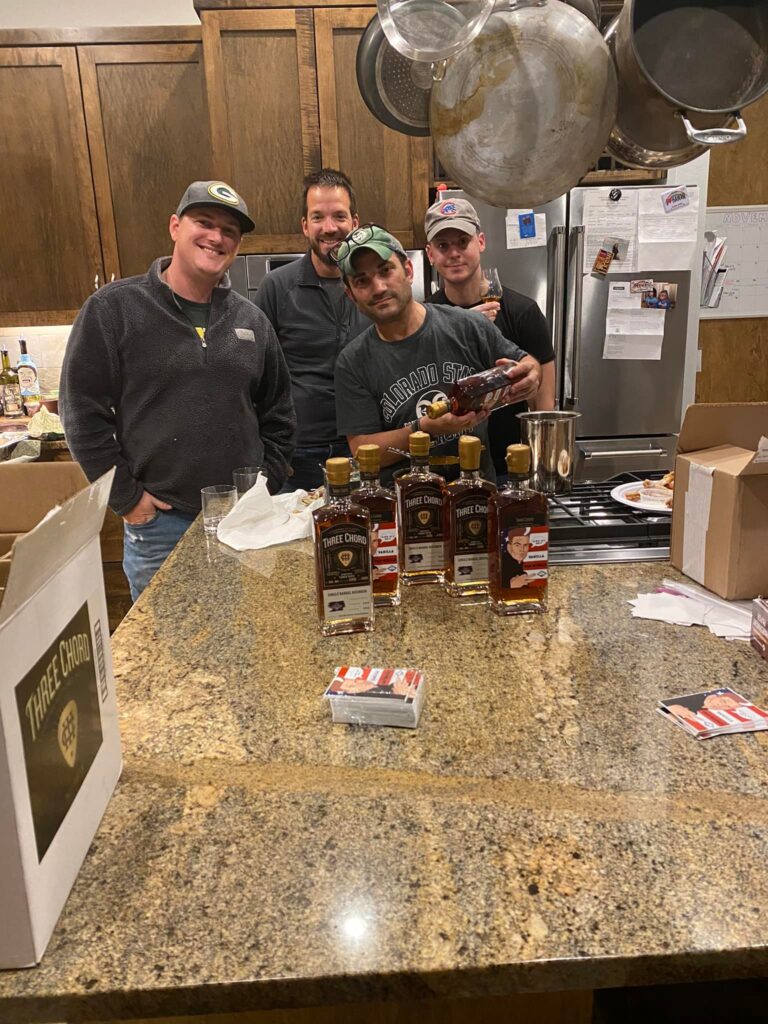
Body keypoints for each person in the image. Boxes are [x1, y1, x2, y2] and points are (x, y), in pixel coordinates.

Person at [60, 180, 296, 602]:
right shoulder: (115, 309)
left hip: (243, 522)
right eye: (204, 223)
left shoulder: (252, 320)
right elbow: (80, 413)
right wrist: (129, 500)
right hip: (160, 527)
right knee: (161, 654)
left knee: (247, 643)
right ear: (174, 227)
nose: (216, 237)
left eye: (229, 232)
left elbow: (278, 413)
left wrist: (267, 484)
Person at [332, 224, 542, 485]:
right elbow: (363, 452)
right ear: (350, 294)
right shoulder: (352, 363)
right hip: (402, 503)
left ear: (408, 270)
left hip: (476, 494)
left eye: (385, 271)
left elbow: (526, 362)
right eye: (362, 281)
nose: (378, 287)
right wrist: (424, 429)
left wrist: (531, 373)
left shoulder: (468, 326)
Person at [254, 168, 371, 491]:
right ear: (305, 225)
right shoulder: (276, 287)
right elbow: (257, 373)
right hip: (299, 453)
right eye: (318, 217)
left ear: (355, 222)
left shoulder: (373, 286)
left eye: (339, 216)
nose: (330, 228)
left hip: (365, 448)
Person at [423, 197, 555, 477]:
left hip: (511, 466)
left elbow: (544, 406)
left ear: (481, 242)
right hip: (447, 469)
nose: (454, 253)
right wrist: (467, 327)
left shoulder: (523, 312)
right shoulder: (426, 316)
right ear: (430, 254)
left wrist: (539, 469)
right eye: (443, 246)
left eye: (462, 241)